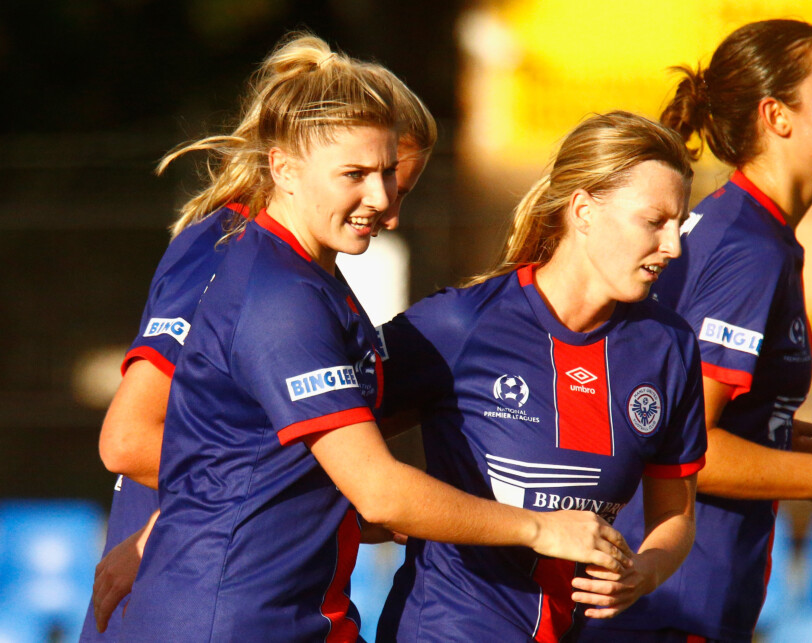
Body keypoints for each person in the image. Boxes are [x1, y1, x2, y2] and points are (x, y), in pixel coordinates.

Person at [110, 32, 630, 642]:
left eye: (390, 177)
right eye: (355, 174)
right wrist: (540, 526)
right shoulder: (276, 294)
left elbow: (249, 462)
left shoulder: (313, 279)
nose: (382, 201)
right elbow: (378, 489)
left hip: (291, 611)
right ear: (283, 167)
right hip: (234, 618)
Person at [579, 19, 812, 643]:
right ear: (777, 115)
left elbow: (665, 407)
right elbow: (681, 448)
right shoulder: (748, 246)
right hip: (670, 607)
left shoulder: (741, 228)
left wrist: (768, 430)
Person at [80, 36, 439, 640]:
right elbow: (129, 439)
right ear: (297, 164)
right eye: (375, 177)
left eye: (400, 187)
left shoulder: (313, 271)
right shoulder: (228, 252)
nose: (389, 208)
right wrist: (358, 488)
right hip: (189, 589)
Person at [374, 110, 707, 643]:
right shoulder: (459, 324)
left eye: (678, 224)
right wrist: (367, 511)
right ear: (583, 211)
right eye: (654, 221)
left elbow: (676, 516)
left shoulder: (668, 346)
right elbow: (328, 431)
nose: (673, 246)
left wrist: (647, 572)